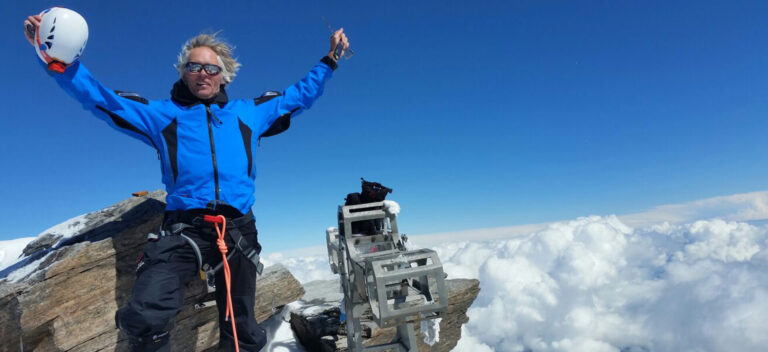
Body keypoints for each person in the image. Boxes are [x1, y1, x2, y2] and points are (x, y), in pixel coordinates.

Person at [24, 13, 349, 352]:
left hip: (237, 230)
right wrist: (54, 58)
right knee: (145, 316)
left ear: (223, 75)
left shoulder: (249, 113)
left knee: (240, 331)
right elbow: (101, 99)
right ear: (183, 73)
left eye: (211, 68)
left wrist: (330, 59)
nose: (202, 73)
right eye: (194, 67)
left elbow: (299, 95)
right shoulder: (163, 115)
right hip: (184, 229)